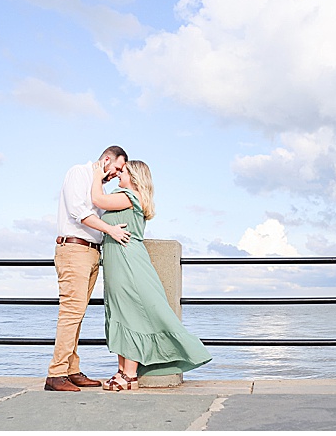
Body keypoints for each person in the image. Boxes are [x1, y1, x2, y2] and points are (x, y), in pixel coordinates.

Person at [91, 159, 212, 391]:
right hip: (118, 261)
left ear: (134, 177)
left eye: (122, 171)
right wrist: (105, 181)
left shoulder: (129, 196)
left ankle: (130, 375)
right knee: (119, 313)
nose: (118, 174)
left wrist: (98, 176)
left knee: (131, 314)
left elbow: (97, 199)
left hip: (128, 261)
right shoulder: (123, 196)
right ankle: (122, 371)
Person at [44, 146, 132, 392]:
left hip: (91, 252)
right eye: (117, 168)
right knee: (71, 312)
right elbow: (78, 211)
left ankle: (70, 370)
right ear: (106, 159)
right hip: (74, 250)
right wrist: (111, 230)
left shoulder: (98, 186)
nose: (117, 173)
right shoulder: (78, 173)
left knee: (78, 314)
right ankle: (56, 373)